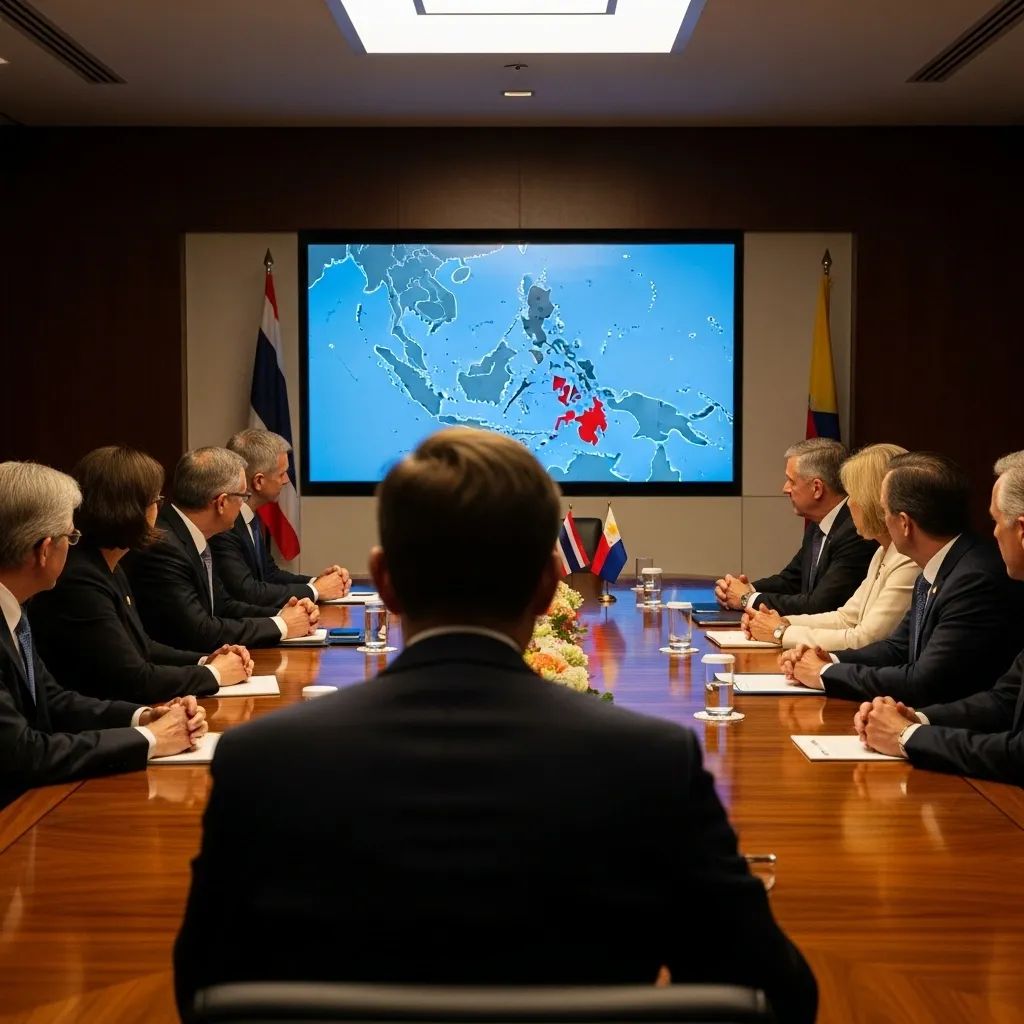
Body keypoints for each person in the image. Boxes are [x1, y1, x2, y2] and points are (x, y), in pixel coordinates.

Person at [174, 428, 817, 1024]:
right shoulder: (653, 763)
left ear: (386, 584)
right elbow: (777, 994)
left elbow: (204, 988)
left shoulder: (264, 760)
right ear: (550, 588)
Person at [0, 461, 207, 808]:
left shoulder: (15, 608)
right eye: (70, 536)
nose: (74, 546)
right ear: (45, 549)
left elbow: (53, 700)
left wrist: (143, 717)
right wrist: (151, 739)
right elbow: (24, 754)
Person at [780, 452, 1024, 704]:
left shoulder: (974, 578)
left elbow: (924, 681)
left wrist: (824, 673)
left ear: (905, 524)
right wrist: (829, 660)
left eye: (885, 511)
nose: (995, 532)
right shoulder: (936, 567)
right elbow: (897, 647)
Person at [32, 446, 254, 704]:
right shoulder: (80, 578)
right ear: (130, 509)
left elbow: (143, 647)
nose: (159, 509)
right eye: (155, 500)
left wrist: (206, 660)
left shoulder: (109, 564)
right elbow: (135, 680)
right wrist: (214, 674)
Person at [855, 451, 1024, 783]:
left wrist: (906, 736)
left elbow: (1018, 754)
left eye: (996, 521)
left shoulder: (976, 575)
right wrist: (916, 719)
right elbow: (1004, 700)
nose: (992, 534)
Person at [123, 447, 318, 652]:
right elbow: (200, 631)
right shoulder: (165, 547)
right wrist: (282, 625)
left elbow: (223, 605)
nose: (244, 504)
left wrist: (282, 615)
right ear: (222, 502)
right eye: (243, 497)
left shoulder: (193, 533)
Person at [741, 443, 919, 650]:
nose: (848, 504)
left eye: (853, 495)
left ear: (873, 501)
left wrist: (780, 632)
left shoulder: (908, 559)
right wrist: (780, 622)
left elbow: (864, 639)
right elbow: (846, 618)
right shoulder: (883, 551)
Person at [715, 438, 875, 615]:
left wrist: (747, 599)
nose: (785, 489)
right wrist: (743, 589)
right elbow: (792, 580)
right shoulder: (818, 524)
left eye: (791, 481)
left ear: (817, 488)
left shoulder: (855, 532)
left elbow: (820, 605)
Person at [211, 429, 351, 605]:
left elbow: (270, 575)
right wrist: (316, 590)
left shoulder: (250, 518)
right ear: (259, 481)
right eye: (281, 474)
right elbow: (247, 591)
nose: (286, 480)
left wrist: (318, 582)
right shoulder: (225, 526)